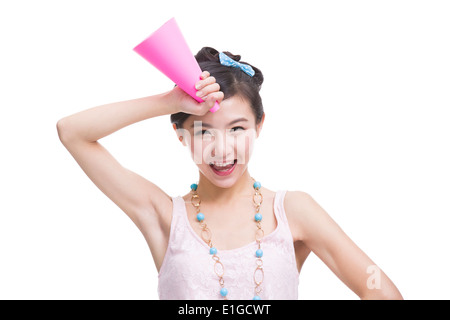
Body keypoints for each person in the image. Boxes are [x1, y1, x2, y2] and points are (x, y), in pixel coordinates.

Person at [57, 47, 403, 300]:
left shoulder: (292, 211)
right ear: (181, 136)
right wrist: (168, 102)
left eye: (237, 129)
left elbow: (379, 289)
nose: (222, 149)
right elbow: (72, 132)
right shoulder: (163, 216)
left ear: (258, 126)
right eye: (204, 131)